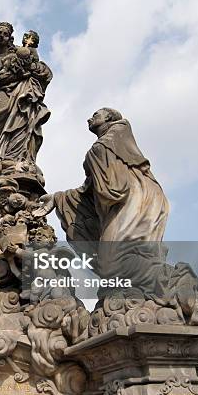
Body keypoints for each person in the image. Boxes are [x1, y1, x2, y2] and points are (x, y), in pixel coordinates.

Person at [34, 108, 170, 296]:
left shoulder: (113, 136)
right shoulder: (107, 145)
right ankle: (140, 293)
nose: (90, 118)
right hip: (130, 199)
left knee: (115, 255)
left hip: (138, 198)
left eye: (96, 115)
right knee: (112, 258)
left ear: (109, 118)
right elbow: (92, 188)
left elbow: (112, 188)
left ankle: (156, 288)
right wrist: (58, 198)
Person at [0, 22, 52, 164]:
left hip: (18, 92)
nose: (2, 36)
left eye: (5, 34)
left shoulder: (19, 51)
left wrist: (29, 66)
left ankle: (11, 156)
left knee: (18, 121)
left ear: (10, 38)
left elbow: (43, 70)